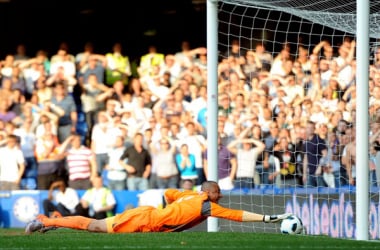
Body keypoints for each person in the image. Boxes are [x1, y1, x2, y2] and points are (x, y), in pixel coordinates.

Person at [25, 181, 291, 234]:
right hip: (144, 221)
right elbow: (238, 216)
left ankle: (57, 219)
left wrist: (170, 211)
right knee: (92, 226)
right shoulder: (205, 205)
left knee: (93, 226)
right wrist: (271, 218)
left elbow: (168, 193)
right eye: (218, 192)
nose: (220, 196)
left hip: (149, 215)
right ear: (209, 192)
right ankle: (46, 221)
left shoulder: (189, 194)